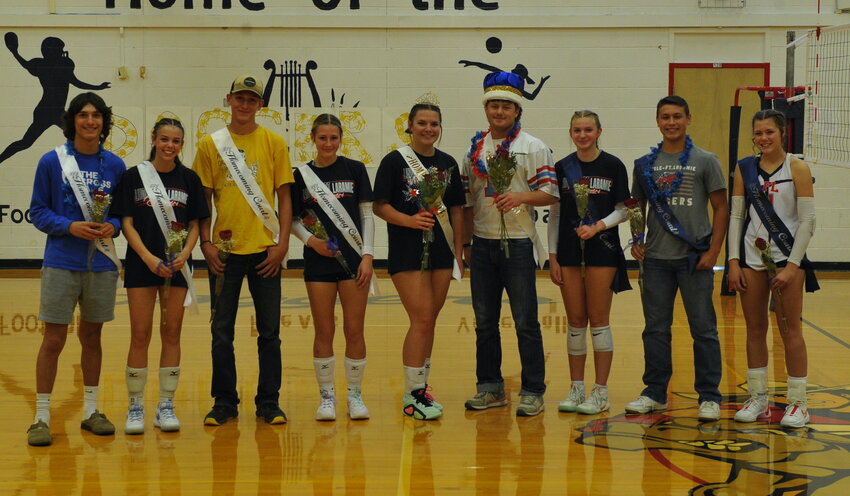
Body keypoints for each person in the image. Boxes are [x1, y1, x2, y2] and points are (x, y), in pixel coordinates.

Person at [193, 75, 293, 426]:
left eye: (252, 99)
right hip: (224, 253)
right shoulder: (210, 144)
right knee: (221, 331)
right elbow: (202, 198)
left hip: (266, 251)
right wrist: (205, 243)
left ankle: (269, 402)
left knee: (269, 332)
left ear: (260, 105)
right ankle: (224, 402)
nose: (245, 105)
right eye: (239, 98)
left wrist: (282, 245)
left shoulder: (274, 142)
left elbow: (284, 196)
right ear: (229, 99)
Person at [27, 92, 125, 446]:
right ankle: (40, 416)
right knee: (53, 340)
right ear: (73, 121)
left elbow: (121, 214)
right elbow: (37, 211)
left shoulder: (114, 166)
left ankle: (91, 410)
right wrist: (69, 227)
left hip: (100, 264)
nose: (90, 121)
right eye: (83, 115)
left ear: (103, 121)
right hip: (61, 263)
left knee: (92, 338)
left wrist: (112, 225)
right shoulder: (51, 162)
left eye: (96, 115)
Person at [461, 72, 559, 417]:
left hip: (517, 244)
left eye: (506, 106)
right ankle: (490, 388)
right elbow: (467, 200)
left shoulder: (532, 146)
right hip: (483, 244)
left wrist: (519, 196)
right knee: (484, 321)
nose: (499, 111)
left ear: (517, 111)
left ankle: (533, 390)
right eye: (494, 106)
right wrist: (465, 244)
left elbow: (550, 192)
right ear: (486, 109)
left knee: (526, 321)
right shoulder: (475, 147)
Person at [627, 95, 727, 422]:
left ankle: (709, 396)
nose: (671, 122)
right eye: (665, 117)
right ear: (658, 121)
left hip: (694, 258)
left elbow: (721, 207)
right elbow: (635, 206)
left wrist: (713, 251)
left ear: (688, 119)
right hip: (655, 260)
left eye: (677, 117)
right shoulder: (644, 164)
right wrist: (637, 239)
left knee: (704, 329)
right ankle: (654, 392)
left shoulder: (706, 160)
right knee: (655, 329)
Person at [111, 118, 209, 434]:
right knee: (140, 334)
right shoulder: (133, 177)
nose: (169, 146)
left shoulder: (189, 179)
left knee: (172, 333)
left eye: (176, 141)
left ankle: (166, 405)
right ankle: (136, 406)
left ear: (182, 144)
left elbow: (195, 224)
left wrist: (184, 255)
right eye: (164, 139)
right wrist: (148, 258)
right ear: (153, 139)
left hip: (178, 268)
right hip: (143, 264)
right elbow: (126, 222)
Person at [373, 98, 465, 421]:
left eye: (434, 124)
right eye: (422, 123)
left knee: (429, 322)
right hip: (406, 251)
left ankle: (422, 387)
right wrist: (409, 221)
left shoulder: (448, 163)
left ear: (440, 128)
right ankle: (411, 396)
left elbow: (455, 209)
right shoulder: (394, 162)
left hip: (442, 252)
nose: (428, 129)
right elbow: (379, 205)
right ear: (409, 126)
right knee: (422, 319)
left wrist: (460, 251)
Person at [727, 109, 818, 428]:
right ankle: (758, 399)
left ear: (782, 134)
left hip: (787, 261)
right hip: (752, 260)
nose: (763, 138)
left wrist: (793, 266)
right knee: (754, 330)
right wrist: (733, 261)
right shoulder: (744, 168)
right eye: (758, 133)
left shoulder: (797, 168)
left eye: (769, 132)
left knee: (790, 331)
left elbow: (808, 221)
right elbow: (737, 216)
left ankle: (798, 403)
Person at [291, 114, 375, 421]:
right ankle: (327, 398)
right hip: (318, 262)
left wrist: (367, 255)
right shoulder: (300, 175)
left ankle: (355, 395)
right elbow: (294, 220)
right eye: (323, 138)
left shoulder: (355, 169)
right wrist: (312, 242)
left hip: (354, 262)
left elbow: (366, 216)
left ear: (341, 140)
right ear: (312, 138)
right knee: (324, 329)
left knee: (355, 330)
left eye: (334, 138)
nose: (328, 143)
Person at [548, 110, 631, 415]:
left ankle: (601, 392)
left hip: (602, 250)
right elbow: (555, 214)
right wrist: (552, 256)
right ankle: (576, 388)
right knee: (574, 323)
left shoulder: (613, 165)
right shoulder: (562, 167)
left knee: (598, 322)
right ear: (570, 133)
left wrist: (598, 226)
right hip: (569, 252)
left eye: (588, 130)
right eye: (577, 130)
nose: (582, 135)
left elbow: (623, 210)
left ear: (599, 131)